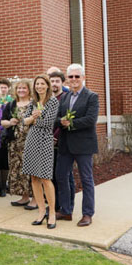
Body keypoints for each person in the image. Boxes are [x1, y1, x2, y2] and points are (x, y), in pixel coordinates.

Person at [56, 63, 99, 227]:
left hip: (83, 146)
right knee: (61, 176)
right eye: (71, 76)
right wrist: (61, 121)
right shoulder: (65, 97)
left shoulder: (91, 96)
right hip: (66, 145)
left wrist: (70, 123)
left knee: (86, 179)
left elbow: (91, 119)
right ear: (67, 78)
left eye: (77, 76)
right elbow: (57, 118)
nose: (73, 79)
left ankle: (87, 214)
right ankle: (66, 211)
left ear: (83, 78)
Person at [22, 75, 59, 229]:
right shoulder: (33, 102)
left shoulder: (53, 102)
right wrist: (33, 117)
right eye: (37, 84)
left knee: (45, 177)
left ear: (47, 85)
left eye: (42, 84)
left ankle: (52, 213)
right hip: (31, 139)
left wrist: (34, 118)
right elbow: (25, 120)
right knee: (34, 177)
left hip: (45, 140)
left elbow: (48, 122)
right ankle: (41, 211)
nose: (39, 86)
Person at [1, 80, 36, 209]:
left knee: (31, 170)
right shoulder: (11, 105)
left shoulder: (34, 104)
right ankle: (24, 196)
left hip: (30, 141)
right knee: (18, 170)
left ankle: (35, 199)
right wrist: (10, 122)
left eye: (24, 88)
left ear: (29, 90)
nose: (21, 90)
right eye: (19, 88)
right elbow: (2, 122)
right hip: (14, 143)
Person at [49, 71, 75, 214]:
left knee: (66, 176)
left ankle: (68, 207)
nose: (54, 84)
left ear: (62, 83)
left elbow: (64, 121)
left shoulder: (65, 98)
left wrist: (55, 137)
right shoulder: (48, 100)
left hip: (61, 143)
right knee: (53, 176)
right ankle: (56, 204)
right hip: (48, 143)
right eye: (52, 81)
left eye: (57, 81)